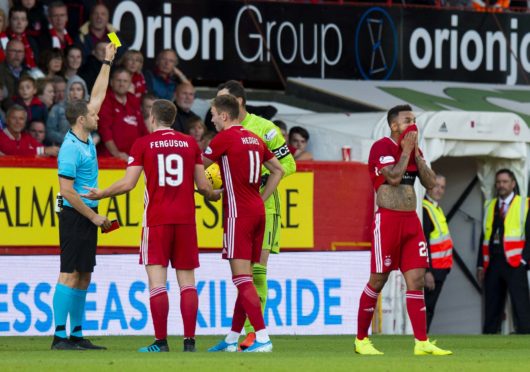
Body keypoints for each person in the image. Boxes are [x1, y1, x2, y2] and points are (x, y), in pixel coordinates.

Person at [81, 99, 219, 353]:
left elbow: (128, 184)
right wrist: (215, 194)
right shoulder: (190, 143)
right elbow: (204, 187)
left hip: (157, 220)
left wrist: (101, 194)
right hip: (186, 220)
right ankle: (189, 343)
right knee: (187, 283)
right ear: (174, 117)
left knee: (158, 283)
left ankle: (161, 343)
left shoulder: (144, 143)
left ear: (153, 119)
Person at [355, 104, 452, 356]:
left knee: (416, 280)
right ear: (394, 125)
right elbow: (394, 178)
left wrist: (417, 155)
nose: (413, 124)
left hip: (411, 222)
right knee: (378, 280)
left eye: (415, 119)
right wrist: (406, 150)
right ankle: (361, 340)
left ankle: (421, 342)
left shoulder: (414, 150)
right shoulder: (382, 147)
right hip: (388, 221)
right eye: (408, 120)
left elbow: (430, 184)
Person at [216, 80, 296, 349]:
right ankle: (236, 336)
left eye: (221, 101)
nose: (215, 108)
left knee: (256, 272)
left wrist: (257, 181)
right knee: (245, 274)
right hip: (237, 210)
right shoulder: (225, 130)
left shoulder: (265, 128)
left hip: (265, 209)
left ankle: (255, 334)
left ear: (237, 102)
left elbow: (288, 164)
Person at [50, 42, 116, 350]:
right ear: (81, 119)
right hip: (77, 214)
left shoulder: (85, 135)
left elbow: (99, 95)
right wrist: (93, 215)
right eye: (93, 114)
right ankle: (59, 335)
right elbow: (66, 192)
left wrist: (106, 62)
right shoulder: (70, 149)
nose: (98, 115)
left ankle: (76, 334)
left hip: (88, 214)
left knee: (84, 274)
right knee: (68, 273)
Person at [476, 168, 530, 334]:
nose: (501, 185)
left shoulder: (524, 203)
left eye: (505, 182)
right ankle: (489, 342)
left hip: (515, 262)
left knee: (521, 307)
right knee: (492, 306)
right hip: (493, 262)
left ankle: (525, 340)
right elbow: (484, 236)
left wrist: (524, 261)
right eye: (499, 182)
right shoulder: (490, 205)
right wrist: (480, 265)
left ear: (513, 184)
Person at [422, 174, 453, 332]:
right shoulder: (425, 209)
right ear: (428, 186)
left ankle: (423, 339)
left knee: (430, 308)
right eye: (436, 186)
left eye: (442, 187)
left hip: (441, 269)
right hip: (432, 271)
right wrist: (427, 271)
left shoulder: (436, 208)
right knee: (426, 308)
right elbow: (424, 243)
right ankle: (421, 341)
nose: (439, 190)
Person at [97, 67, 147, 159]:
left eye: (125, 81)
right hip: (112, 158)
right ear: (111, 82)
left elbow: (142, 129)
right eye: (118, 80)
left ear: (130, 84)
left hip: (134, 157)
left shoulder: (133, 100)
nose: (122, 84)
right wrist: (116, 154)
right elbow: (105, 130)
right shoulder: (105, 100)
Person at [46, 74, 88, 145]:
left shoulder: (90, 109)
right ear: (67, 91)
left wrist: (91, 139)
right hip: (63, 149)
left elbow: (96, 132)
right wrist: (69, 139)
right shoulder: (57, 109)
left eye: (78, 89)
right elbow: (49, 131)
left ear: (84, 92)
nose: (75, 93)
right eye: (71, 89)